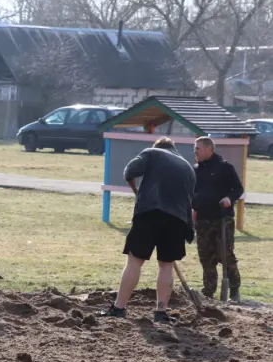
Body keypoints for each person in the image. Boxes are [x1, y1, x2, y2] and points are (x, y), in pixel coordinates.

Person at [99, 137, 196, 322]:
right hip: (177, 219)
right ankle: (161, 312)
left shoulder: (152, 153)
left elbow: (129, 171)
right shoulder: (188, 167)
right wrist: (189, 230)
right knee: (166, 265)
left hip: (150, 212)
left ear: (158, 146)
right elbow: (189, 200)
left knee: (135, 261)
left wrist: (134, 186)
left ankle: (119, 307)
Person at [193, 136, 244, 301]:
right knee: (206, 256)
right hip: (202, 220)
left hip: (222, 219)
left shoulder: (224, 167)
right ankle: (208, 291)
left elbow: (238, 188)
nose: (195, 152)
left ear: (208, 149)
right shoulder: (196, 170)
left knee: (225, 254)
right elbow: (194, 193)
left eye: (198, 148)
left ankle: (234, 289)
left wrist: (229, 198)